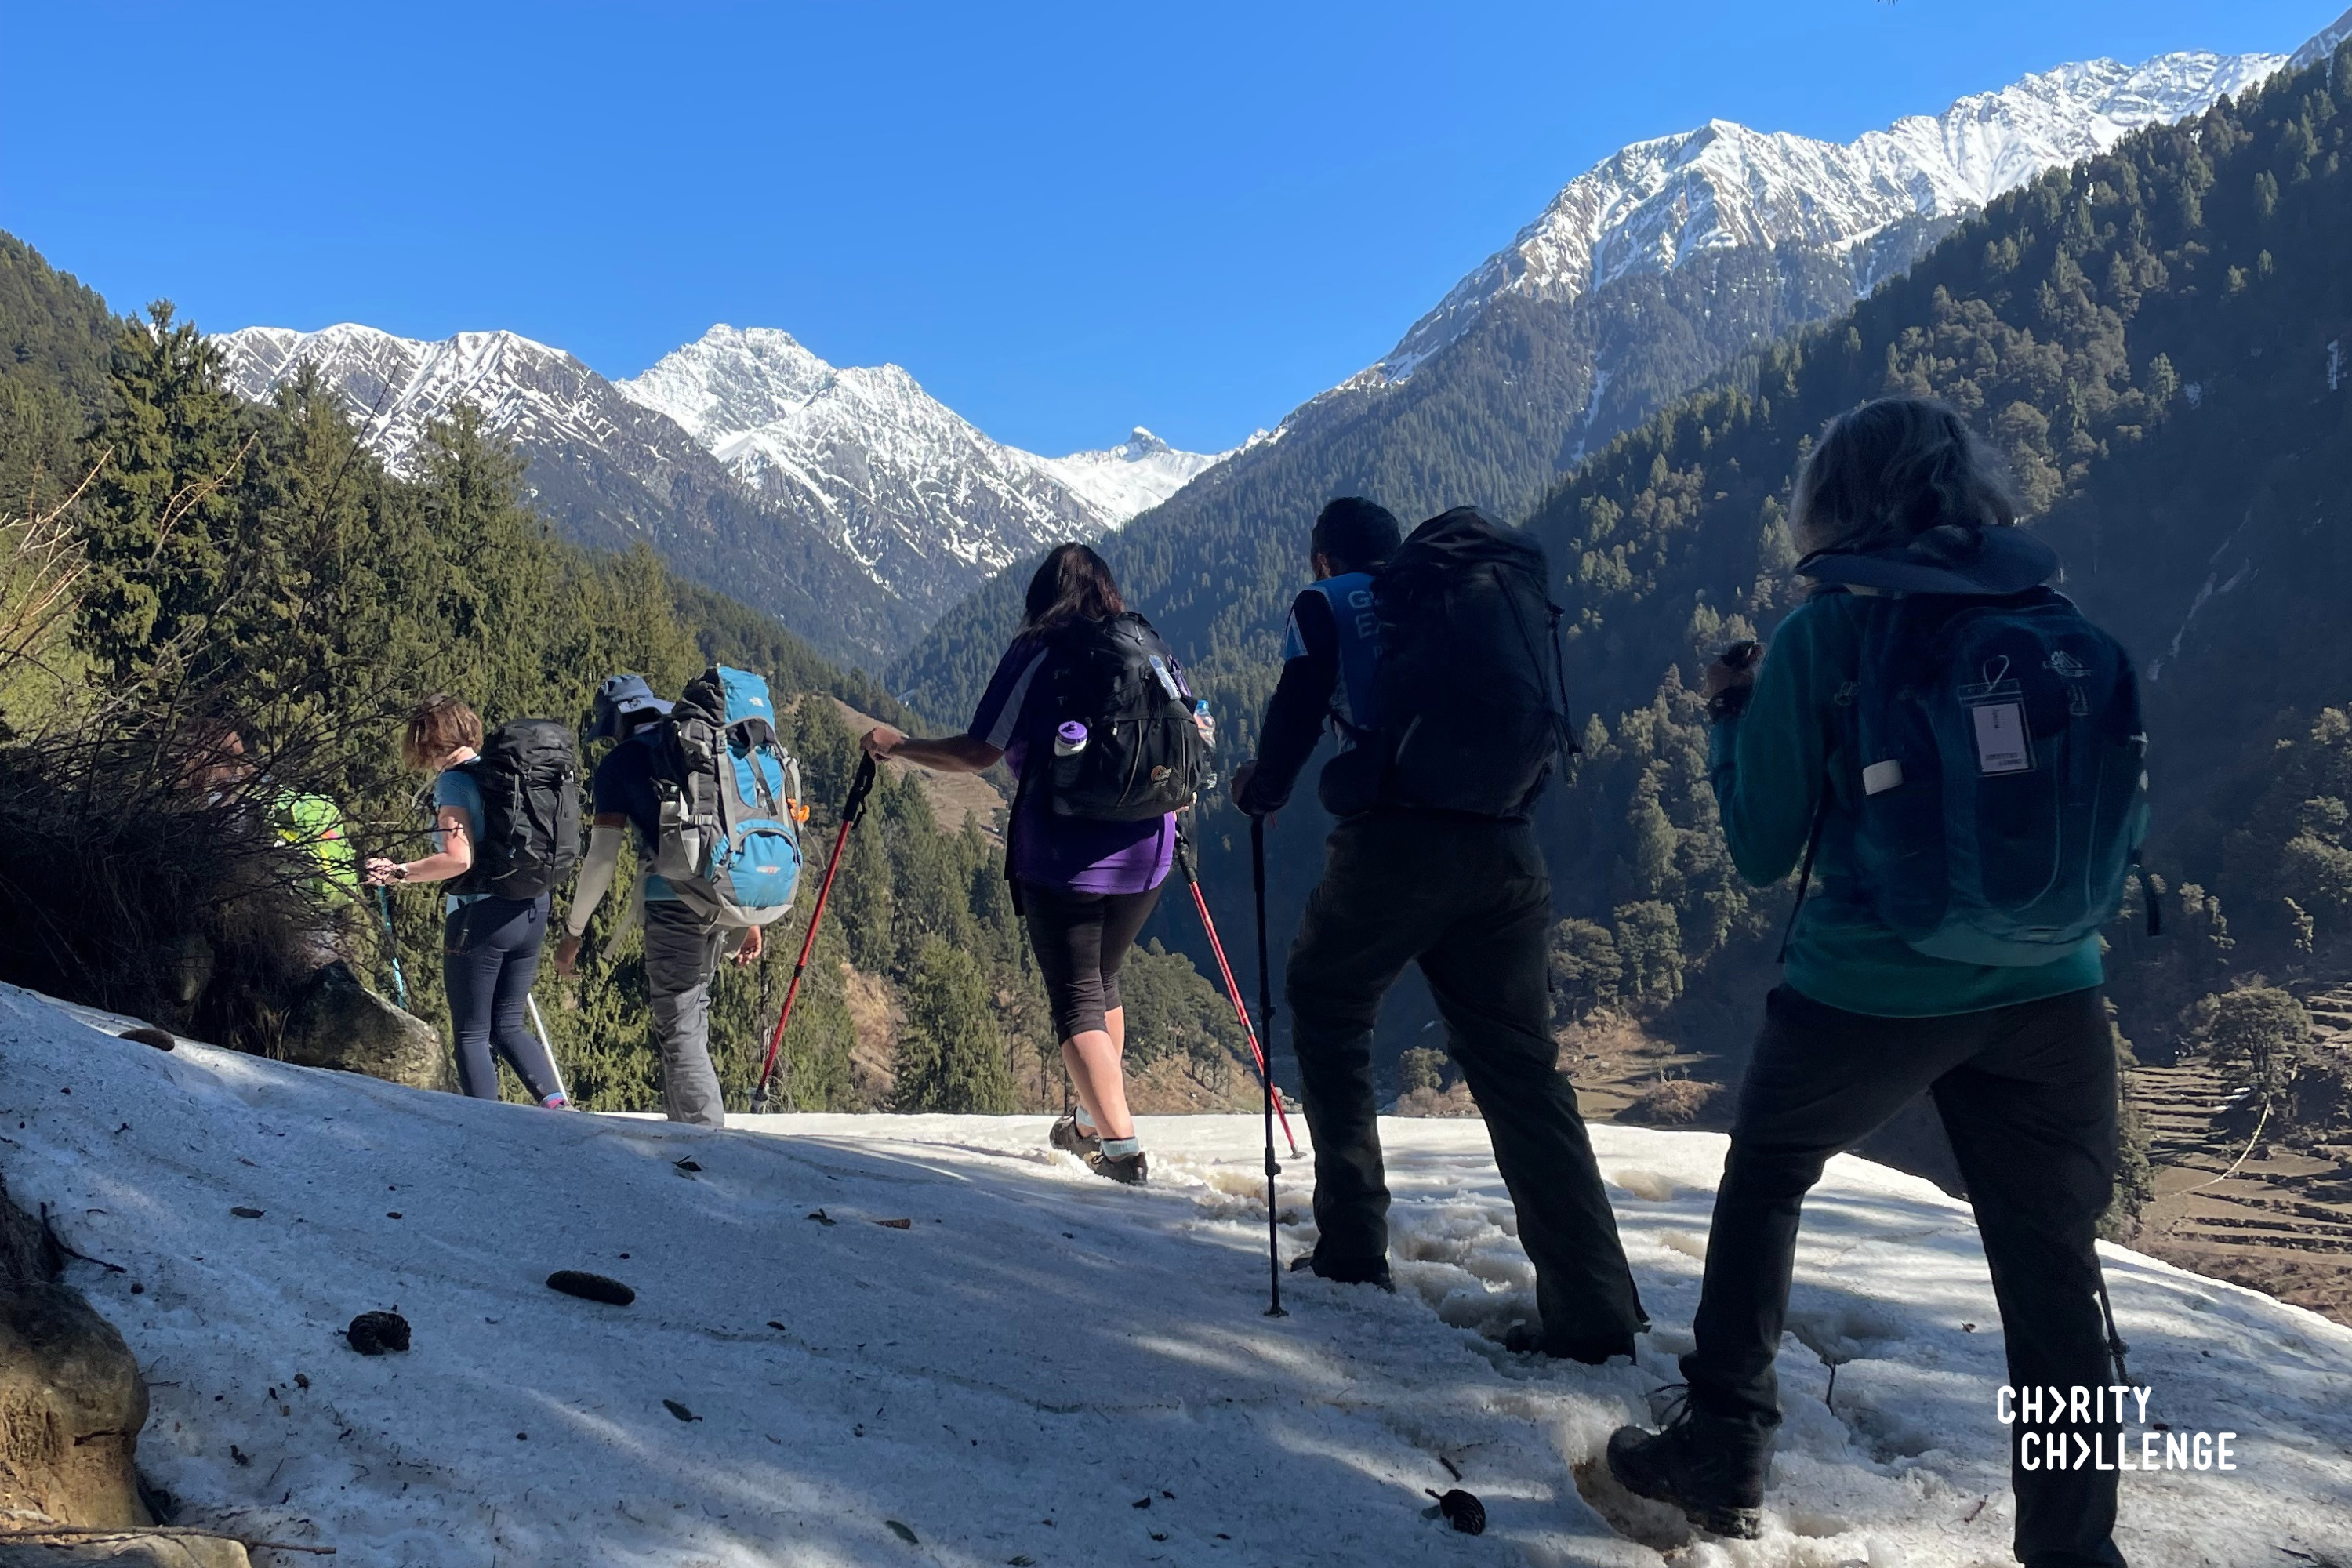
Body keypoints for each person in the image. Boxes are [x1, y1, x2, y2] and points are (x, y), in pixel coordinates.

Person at [1606, 398, 2138, 1564]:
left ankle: (1725, 1448)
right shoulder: (2047, 615)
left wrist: (1731, 721)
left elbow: (1758, 848)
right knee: (2052, 1269)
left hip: (1875, 986)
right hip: (2053, 986)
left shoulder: (1827, 635)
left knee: (1768, 1180)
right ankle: (2075, 1546)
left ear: (1837, 506)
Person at [1231, 498, 1646, 1363]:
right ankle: (1596, 1308)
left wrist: (1260, 791)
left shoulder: (1329, 601)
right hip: (1506, 840)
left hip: (1398, 843)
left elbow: (1299, 709)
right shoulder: (1462, 597)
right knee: (1523, 1071)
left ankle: (1351, 1246)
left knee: (1331, 1004)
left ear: (1323, 556)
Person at [859, 543, 1206, 1185]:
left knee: (1076, 1000)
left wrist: (900, 746)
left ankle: (1123, 1151)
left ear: (1041, 597)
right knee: (1103, 981)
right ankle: (1086, 1127)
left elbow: (977, 752)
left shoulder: (1038, 651)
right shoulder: (1145, 643)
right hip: (1150, 849)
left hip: (1066, 852)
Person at [554, 673, 762, 1128]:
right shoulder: (699, 749)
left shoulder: (621, 763)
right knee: (692, 1012)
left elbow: (602, 860)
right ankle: (683, 1132)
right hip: (727, 897)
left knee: (679, 1025)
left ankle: (707, 1143)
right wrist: (748, 916)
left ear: (615, 724)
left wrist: (573, 933)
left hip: (675, 903)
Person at [365, 694, 568, 1108]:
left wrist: (400, 872)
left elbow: (458, 859)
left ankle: (484, 1128)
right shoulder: (505, 775)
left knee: (472, 1033)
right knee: (509, 1024)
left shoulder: (454, 781)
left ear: (425, 741)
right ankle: (557, 1106)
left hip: (481, 915)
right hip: (532, 906)